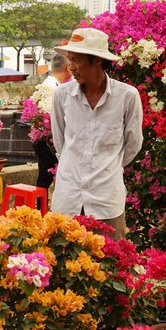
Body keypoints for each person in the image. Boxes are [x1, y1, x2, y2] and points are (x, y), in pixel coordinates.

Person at [50, 28, 143, 238]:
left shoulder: (127, 96)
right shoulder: (62, 96)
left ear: (97, 61)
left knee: (112, 264)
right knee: (65, 266)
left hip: (106, 199)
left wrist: (107, 167)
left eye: (77, 60)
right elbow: (60, 143)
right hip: (68, 198)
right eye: (69, 60)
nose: (71, 67)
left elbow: (133, 145)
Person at [32, 53, 71, 190]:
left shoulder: (52, 84)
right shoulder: (51, 87)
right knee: (44, 180)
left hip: (47, 138)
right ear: (68, 67)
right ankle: (39, 210)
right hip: (46, 140)